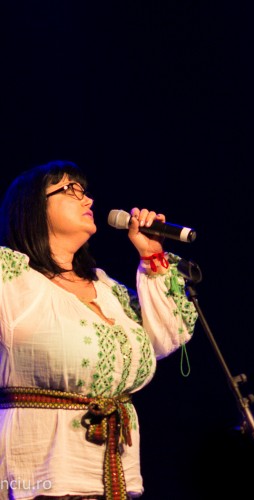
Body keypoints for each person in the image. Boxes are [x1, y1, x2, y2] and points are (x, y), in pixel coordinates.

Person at [0, 160, 199, 499]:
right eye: (70, 190)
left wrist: (152, 256)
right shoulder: (13, 280)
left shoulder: (107, 290)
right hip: (40, 477)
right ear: (31, 207)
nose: (88, 199)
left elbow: (167, 334)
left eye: (85, 191)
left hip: (113, 477)